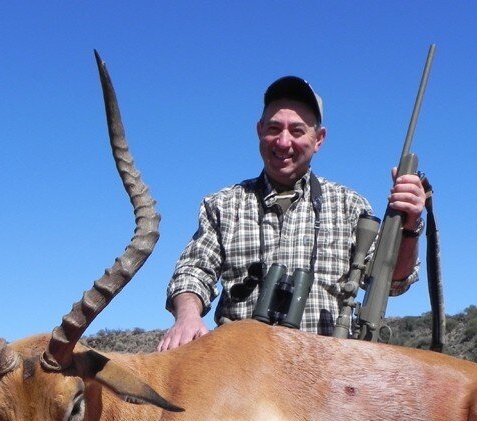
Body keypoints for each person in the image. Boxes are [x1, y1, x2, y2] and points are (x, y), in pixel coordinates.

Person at [158, 76, 426, 351]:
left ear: (319, 139)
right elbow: (193, 272)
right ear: (259, 130)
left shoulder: (351, 207)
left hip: (322, 370)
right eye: (274, 128)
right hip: (240, 369)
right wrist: (187, 317)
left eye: (297, 131)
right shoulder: (222, 205)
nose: (283, 142)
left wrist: (410, 225)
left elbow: (393, 282)